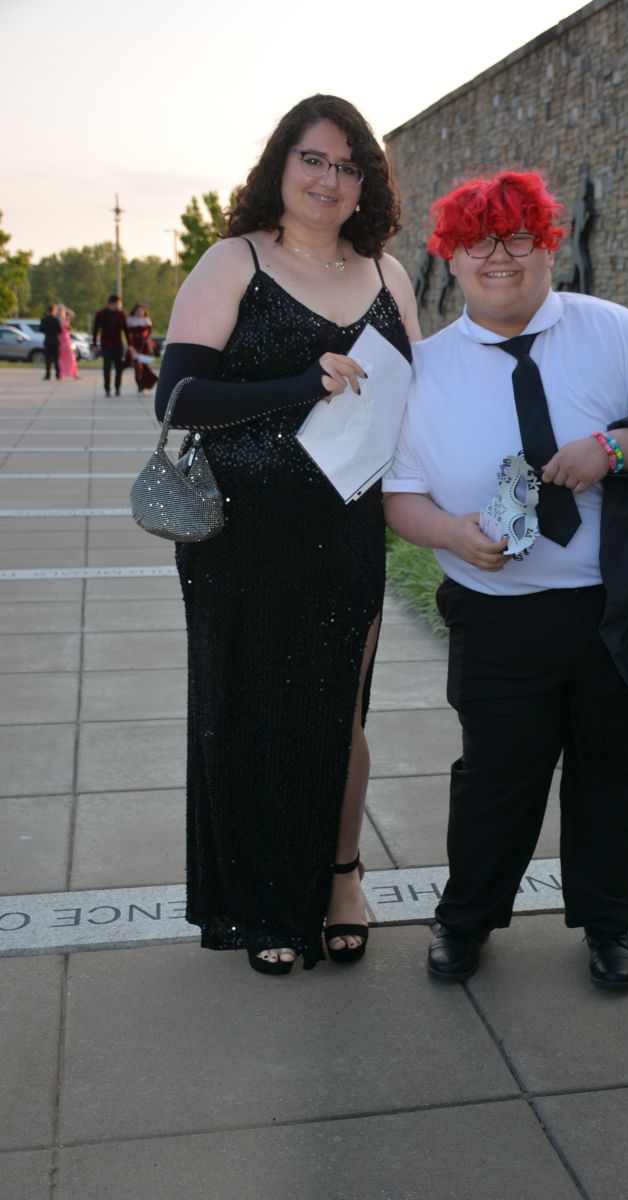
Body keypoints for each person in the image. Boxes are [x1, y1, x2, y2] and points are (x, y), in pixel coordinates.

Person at [383, 170, 628, 990]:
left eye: (518, 236)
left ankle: (608, 926)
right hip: (497, 615)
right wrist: (451, 533)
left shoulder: (619, 335)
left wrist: (615, 448)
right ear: (450, 257)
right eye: (477, 241)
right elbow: (400, 494)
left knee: (614, 776)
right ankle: (465, 921)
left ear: (547, 247)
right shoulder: (422, 370)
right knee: (494, 781)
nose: (499, 256)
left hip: (618, 609)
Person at [153, 94, 420, 975]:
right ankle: (263, 897)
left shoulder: (389, 275)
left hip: (347, 530)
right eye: (313, 159)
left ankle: (342, 876)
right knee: (251, 709)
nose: (329, 179)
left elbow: (419, 400)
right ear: (280, 165)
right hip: (240, 534)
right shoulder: (235, 260)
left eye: (348, 165)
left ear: (365, 184)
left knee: (341, 707)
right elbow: (178, 398)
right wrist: (302, 383)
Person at [92, 294, 128, 396]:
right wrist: (94, 344)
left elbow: (126, 330)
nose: (118, 306)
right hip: (106, 343)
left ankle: (117, 387)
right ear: (111, 303)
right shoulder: (101, 314)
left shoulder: (121, 314)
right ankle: (107, 388)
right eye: (117, 304)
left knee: (119, 367)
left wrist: (129, 344)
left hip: (118, 344)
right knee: (107, 366)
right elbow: (95, 329)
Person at [126, 303, 159, 393]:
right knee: (138, 366)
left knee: (144, 366)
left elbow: (149, 332)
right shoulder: (130, 320)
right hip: (134, 345)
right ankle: (139, 385)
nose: (140, 312)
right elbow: (127, 333)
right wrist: (129, 345)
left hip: (144, 345)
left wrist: (146, 339)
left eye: (141, 311)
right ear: (135, 311)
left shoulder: (146, 320)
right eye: (138, 310)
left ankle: (146, 383)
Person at [55, 304, 79, 379]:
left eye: (61, 310)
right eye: (59, 310)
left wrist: (65, 308)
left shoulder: (66, 318)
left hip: (67, 339)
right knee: (61, 358)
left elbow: (73, 314)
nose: (60, 311)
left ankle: (74, 373)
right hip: (60, 339)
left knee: (71, 357)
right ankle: (62, 373)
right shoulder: (56, 319)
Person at [40, 304, 62, 380]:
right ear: (53, 311)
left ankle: (47, 375)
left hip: (47, 340)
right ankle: (58, 375)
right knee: (56, 359)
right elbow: (60, 331)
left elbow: (41, 329)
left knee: (48, 358)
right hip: (55, 340)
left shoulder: (44, 319)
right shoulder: (56, 320)